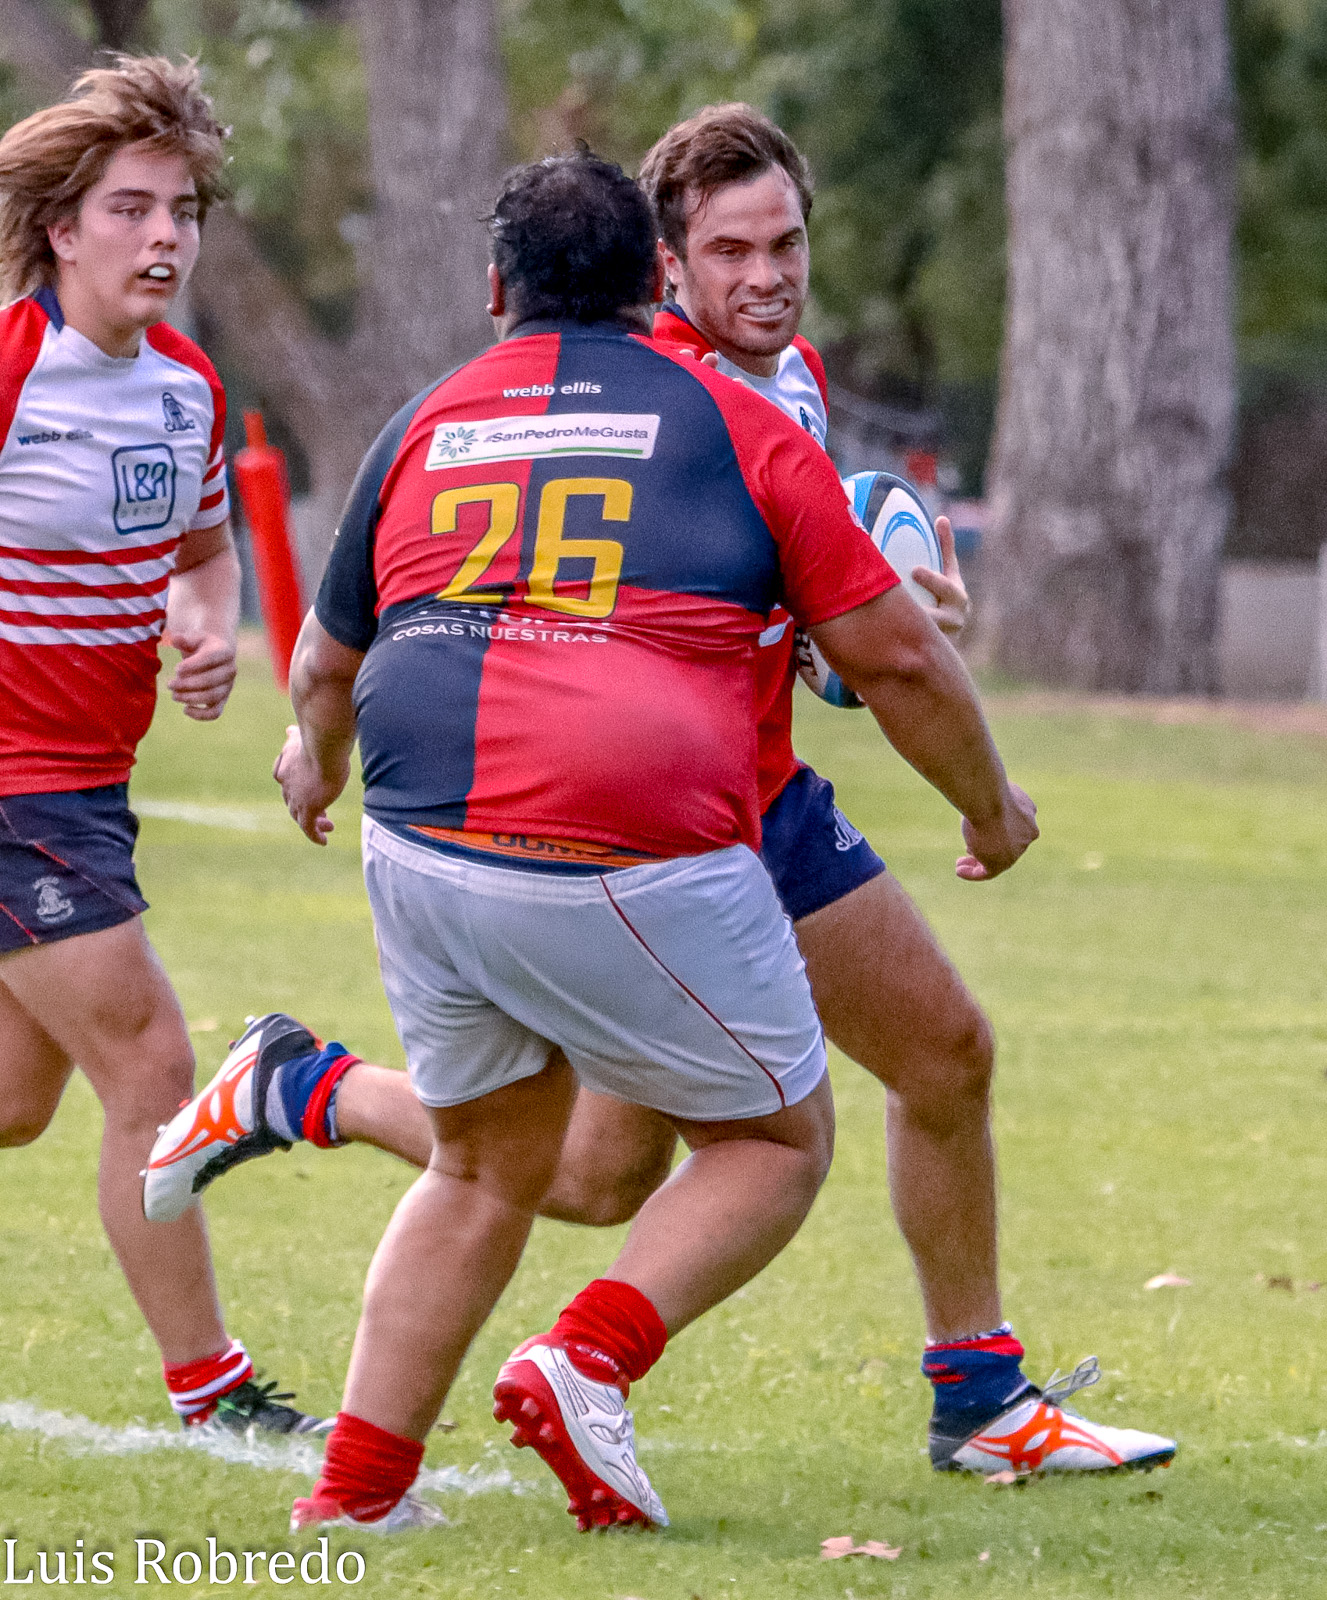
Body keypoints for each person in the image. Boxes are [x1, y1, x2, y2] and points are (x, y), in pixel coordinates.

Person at [149, 108, 1177, 1477]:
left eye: (787, 242)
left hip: (736, 805)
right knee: (737, 1136)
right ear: (665, 272)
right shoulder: (658, 395)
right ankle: (593, 1348)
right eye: (730, 251)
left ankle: (306, 1090)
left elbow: (817, 631)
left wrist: (881, 596)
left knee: (656, 1155)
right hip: (676, 830)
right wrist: (898, 664)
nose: (767, 276)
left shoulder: (789, 383)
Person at [0, 56, 324, 1435]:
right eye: (130, 209)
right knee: (150, 1065)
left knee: (16, 1105)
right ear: (62, 229)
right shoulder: (12, 368)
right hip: (15, 788)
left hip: (90, 785)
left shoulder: (187, 387)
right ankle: (216, 1388)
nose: (164, 238)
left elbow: (203, 556)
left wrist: (204, 630)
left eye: (181, 210)